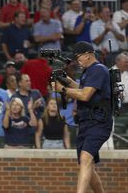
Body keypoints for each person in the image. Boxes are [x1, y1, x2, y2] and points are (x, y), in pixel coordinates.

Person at [52, 41, 112, 193]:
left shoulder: (98, 69)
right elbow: (81, 89)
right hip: (86, 122)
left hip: (99, 121)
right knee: (87, 166)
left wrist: (62, 89)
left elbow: (85, 95)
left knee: (85, 159)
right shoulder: (88, 71)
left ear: (88, 55)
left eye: (78, 58)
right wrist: (67, 80)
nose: (76, 62)